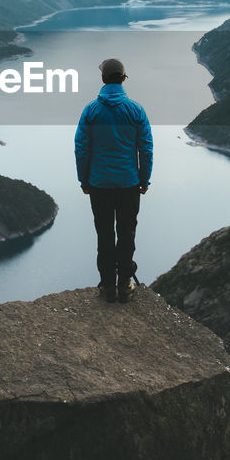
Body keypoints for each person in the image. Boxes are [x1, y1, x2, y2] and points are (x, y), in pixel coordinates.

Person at [74, 57, 152, 303]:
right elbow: (146, 149)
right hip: (129, 184)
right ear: (123, 78)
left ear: (103, 79)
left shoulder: (91, 111)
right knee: (127, 234)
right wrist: (144, 179)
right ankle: (124, 284)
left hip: (99, 185)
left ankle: (107, 286)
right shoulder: (136, 110)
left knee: (104, 234)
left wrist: (84, 180)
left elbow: (81, 149)